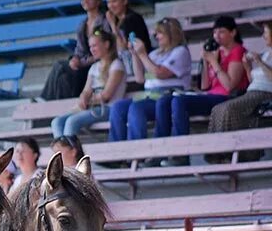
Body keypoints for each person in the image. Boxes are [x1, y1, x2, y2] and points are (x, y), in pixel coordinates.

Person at [168, 16, 248, 153]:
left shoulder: (238, 51)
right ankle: (159, 152)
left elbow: (230, 86)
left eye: (221, 32)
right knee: (165, 102)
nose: (217, 36)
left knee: (179, 103)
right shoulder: (218, 52)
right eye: (215, 32)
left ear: (233, 32)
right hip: (211, 95)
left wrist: (214, 63)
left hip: (227, 98)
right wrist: (206, 61)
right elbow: (205, 86)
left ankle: (179, 152)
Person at [108, 17, 191, 144]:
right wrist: (135, 54)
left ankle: (137, 151)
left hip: (167, 98)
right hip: (149, 97)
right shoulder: (155, 54)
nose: (156, 36)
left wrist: (142, 54)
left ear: (171, 34)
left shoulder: (180, 51)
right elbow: (139, 78)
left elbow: (160, 73)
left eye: (159, 33)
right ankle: (117, 153)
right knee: (118, 107)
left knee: (137, 108)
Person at [207, 21, 272, 162]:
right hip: (253, 90)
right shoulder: (267, 54)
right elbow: (253, 79)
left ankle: (233, 154)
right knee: (217, 109)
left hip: (266, 93)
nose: (263, 36)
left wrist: (259, 62)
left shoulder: (264, 57)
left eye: (266, 32)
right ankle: (217, 154)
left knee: (229, 109)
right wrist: (247, 66)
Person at [51, 29, 126, 138]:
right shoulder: (94, 67)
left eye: (95, 46)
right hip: (92, 107)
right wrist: (83, 97)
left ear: (106, 44)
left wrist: (88, 101)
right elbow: (86, 90)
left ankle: (70, 153)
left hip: (109, 108)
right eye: (90, 47)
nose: (92, 49)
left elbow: (106, 96)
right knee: (57, 122)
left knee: (72, 121)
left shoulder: (117, 65)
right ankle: (61, 152)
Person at [40, 0, 111, 101]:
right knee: (63, 77)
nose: (85, 1)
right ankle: (57, 105)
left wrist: (83, 62)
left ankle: (45, 99)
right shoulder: (82, 24)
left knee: (60, 65)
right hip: (84, 65)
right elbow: (79, 50)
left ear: (98, 0)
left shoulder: (104, 21)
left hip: (98, 64)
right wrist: (75, 59)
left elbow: (107, 49)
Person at [104, 0, 151, 72]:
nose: (111, 6)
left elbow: (125, 47)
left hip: (137, 63)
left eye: (114, 1)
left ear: (125, 1)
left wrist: (112, 25)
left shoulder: (132, 19)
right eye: (108, 2)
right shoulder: (113, 19)